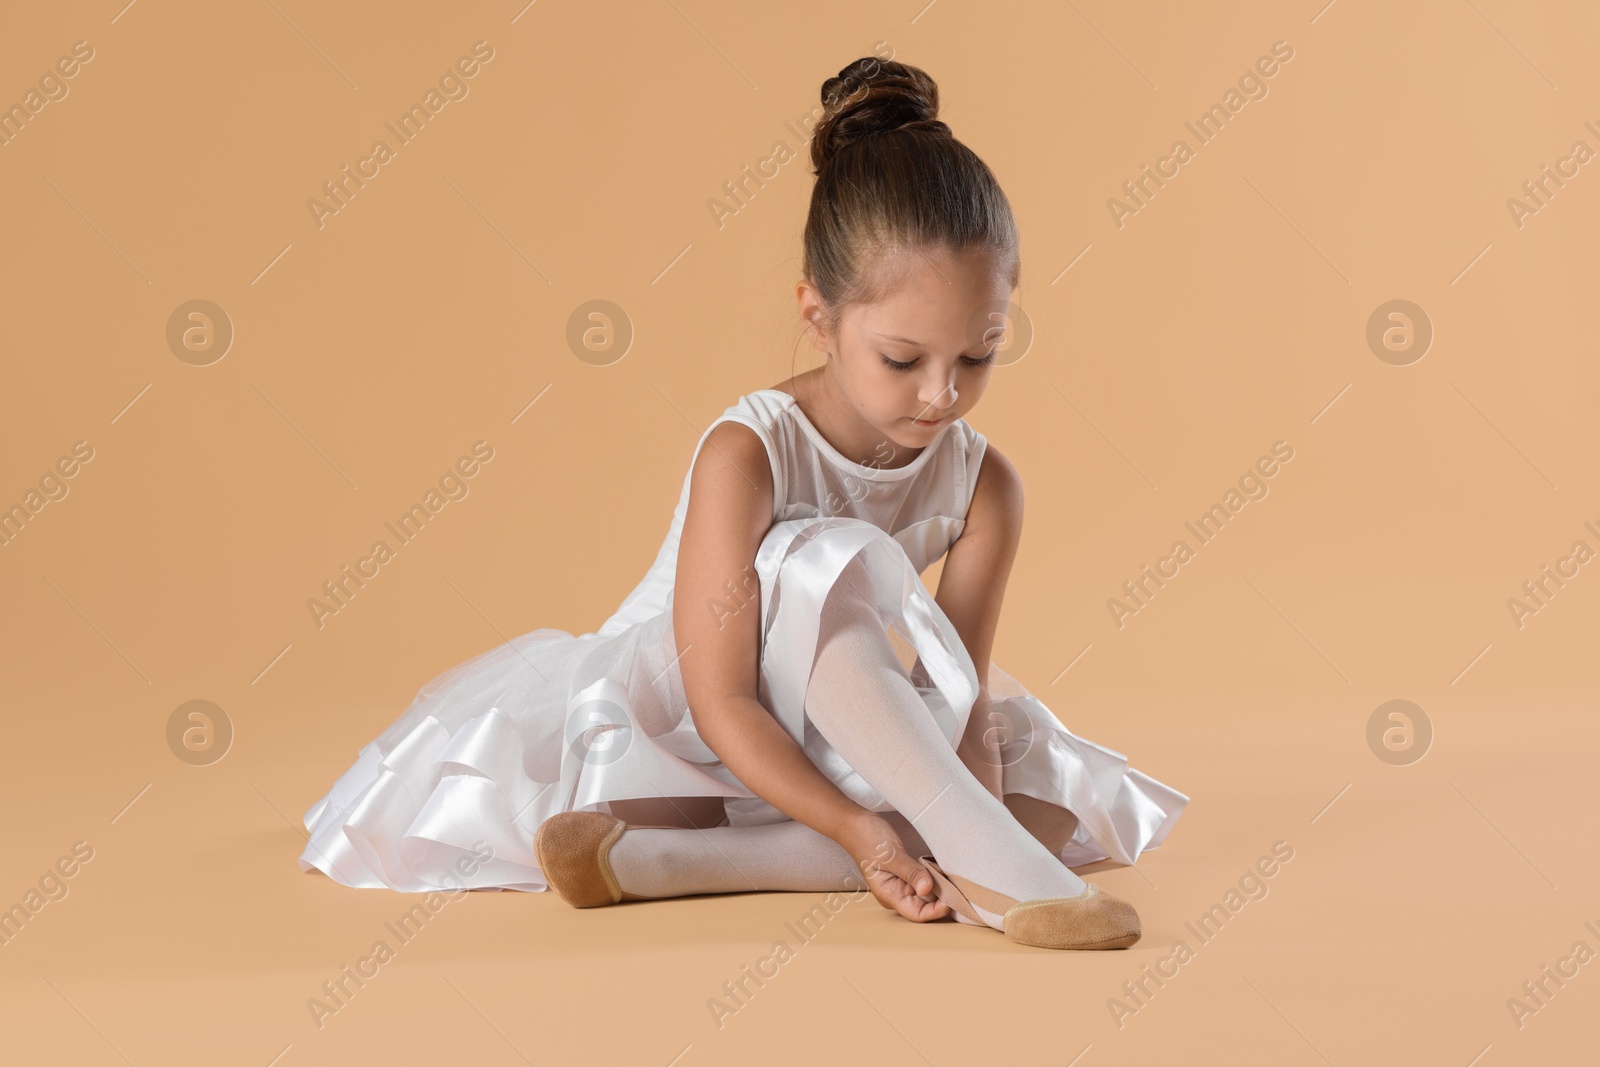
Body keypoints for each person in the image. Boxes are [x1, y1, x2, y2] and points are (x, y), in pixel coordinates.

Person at [299, 57, 1187, 950]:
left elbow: (952, 695)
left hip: (851, 712)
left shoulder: (987, 486)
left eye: (979, 356)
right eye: (902, 358)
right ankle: (910, 850)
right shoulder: (750, 451)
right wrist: (858, 827)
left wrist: (974, 813)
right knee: (813, 557)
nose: (941, 396)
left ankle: (662, 864)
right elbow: (720, 695)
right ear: (818, 315)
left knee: (1051, 801)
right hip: (686, 722)